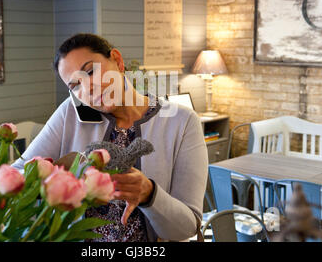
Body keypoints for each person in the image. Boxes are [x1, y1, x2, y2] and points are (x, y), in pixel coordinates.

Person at [12, 33, 208, 242]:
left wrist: (150, 195)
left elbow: (187, 228)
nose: (87, 88)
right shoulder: (71, 112)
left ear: (118, 60)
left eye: (90, 71)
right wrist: (59, 177)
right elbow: (18, 174)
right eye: (75, 85)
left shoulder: (182, 121)